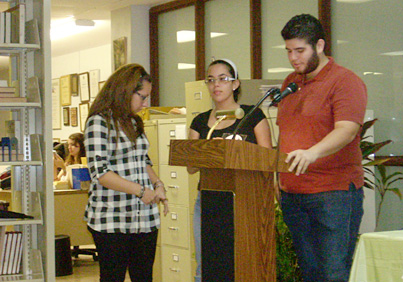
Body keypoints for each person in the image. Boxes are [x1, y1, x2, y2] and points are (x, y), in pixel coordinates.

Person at [276, 14, 368, 282]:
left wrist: (312, 153)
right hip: (293, 194)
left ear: (319, 45)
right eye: (289, 51)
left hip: (333, 195)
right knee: (310, 272)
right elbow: (285, 133)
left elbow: (347, 129)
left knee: (333, 274)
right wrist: (276, 177)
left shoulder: (345, 81)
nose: (293, 58)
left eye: (300, 50)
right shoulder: (290, 83)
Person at [188, 58, 272, 282]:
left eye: (223, 79)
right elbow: (190, 166)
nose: (216, 85)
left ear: (235, 84)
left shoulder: (253, 116)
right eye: (211, 80)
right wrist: (208, 153)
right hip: (208, 200)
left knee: (243, 264)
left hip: (245, 201)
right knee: (207, 266)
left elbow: (268, 161)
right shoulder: (200, 122)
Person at [83, 63, 169, 282]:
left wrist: (158, 184)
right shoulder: (99, 122)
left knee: (143, 277)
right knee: (113, 277)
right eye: (142, 97)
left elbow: (143, 160)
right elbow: (100, 173)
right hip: (111, 219)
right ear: (125, 91)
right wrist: (140, 190)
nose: (145, 103)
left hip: (144, 218)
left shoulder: (133, 121)